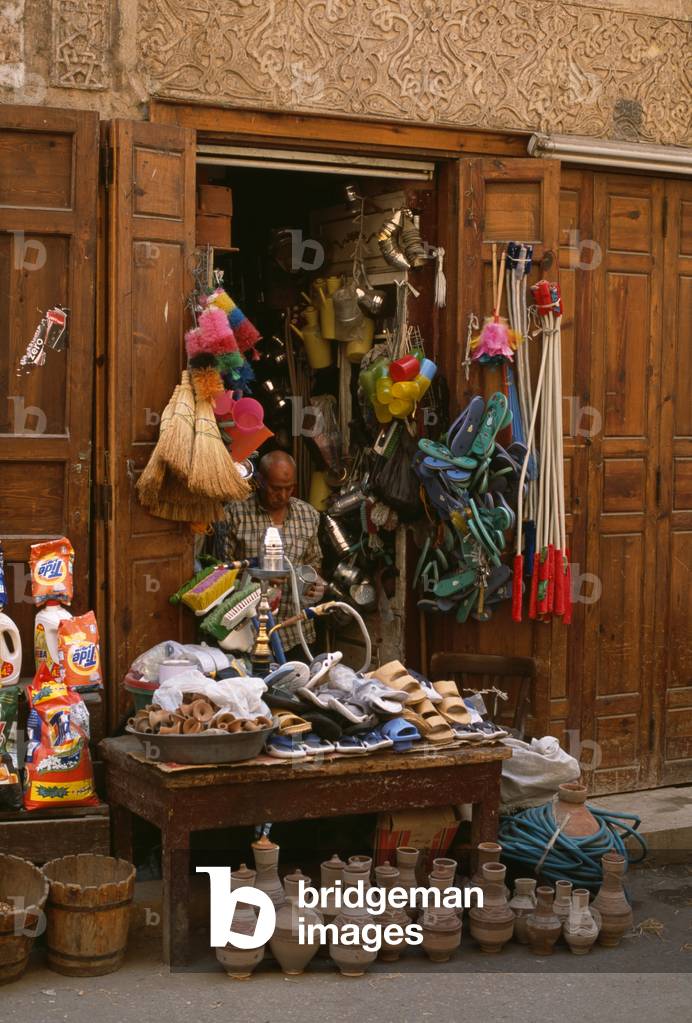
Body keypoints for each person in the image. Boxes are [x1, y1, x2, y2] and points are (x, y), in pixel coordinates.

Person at [215, 450, 325, 661]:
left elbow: (314, 563)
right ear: (260, 481)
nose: (283, 496)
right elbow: (220, 573)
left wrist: (315, 584)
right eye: (276, 488)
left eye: (289, 488)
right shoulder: (234, 514)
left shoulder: (308, 515)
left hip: (296, 632)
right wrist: (254, 578)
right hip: (248, 633)